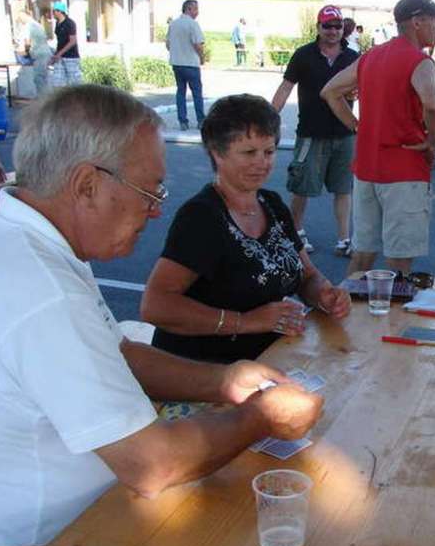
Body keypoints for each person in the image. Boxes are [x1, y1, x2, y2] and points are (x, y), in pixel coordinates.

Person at [0, 84, 323, 546]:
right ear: (86, 185)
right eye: (150, 192)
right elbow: (151, 464)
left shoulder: (29, 240)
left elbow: (116, 352)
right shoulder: (43, 288)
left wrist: (225, 380)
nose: (155, 211)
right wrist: (262, 416)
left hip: (68, 528)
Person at [141, 94, 351, 364]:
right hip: (204, 372)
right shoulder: (201, 218)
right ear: (217, 153)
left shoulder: (273, 205)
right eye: (249, 152)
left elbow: (306, 275)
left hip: (266, 360)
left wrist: (324, 294)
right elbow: (156, 305)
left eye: (269, 152)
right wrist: (245, 321)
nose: (262, 163)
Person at [321, 0, 435, 274]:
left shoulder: (372, 56)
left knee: (362, 254)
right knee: (399, 262)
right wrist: (432, 142)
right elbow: (433, 103)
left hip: (367, 169)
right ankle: (394, 318)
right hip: (404, 171)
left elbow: (330, 91)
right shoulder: (420, 61)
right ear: (417, 22)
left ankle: (347, 314)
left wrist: (357, 125)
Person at [271, 5, 359, 257]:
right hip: (311, 133)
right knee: (302, 187)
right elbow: (286, 87)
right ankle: (296, 233)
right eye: (327, 26)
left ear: (343, 29)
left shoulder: (352, 57)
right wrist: (267, 118)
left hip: (344, 134)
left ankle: (344, 239)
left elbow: (361, 90)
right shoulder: (303, 55)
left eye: (337, 26)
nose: (333, 31)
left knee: (344, 189)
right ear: (318, 28)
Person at [166, 0, 206, 131]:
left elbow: (168, 44)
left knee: (181, 92)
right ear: (188, 9)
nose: (197, 12)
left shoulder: (173, 24)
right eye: (195, 9)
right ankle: (200, 119)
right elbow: (198, 45)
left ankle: (183, 121)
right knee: (196, 92)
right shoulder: (193, 24)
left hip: (177, 63)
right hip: (191, 63)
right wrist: (202, 57)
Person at [15, 10, 52, 96]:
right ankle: (46, 98)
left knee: (38, 78)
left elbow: (27, 42)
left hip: (39, 54)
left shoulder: (28, 26)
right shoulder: (38, 25)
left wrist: (25, 52)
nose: (20, 21)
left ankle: (43, 100)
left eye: (20, 18)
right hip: (45, 52)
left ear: (25, 16)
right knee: (44, 77)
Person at [49, 1, 82, 87]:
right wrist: (56, 55)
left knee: (74, 83)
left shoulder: (70, 23)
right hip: (60, 57)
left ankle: (78, 99)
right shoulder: (57, 24)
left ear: (59, 11)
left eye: (54, 11)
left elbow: (72, 41)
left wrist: (60, 53)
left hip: (71, 57)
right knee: (57, 82)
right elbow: (60, 41)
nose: (53, 13)